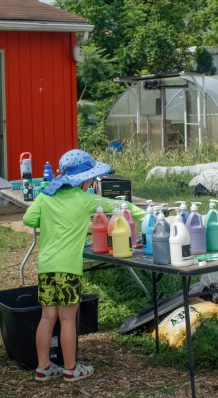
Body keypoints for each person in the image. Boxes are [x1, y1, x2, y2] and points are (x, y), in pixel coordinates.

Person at [23, 149, 144, 382]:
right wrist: (142, 214)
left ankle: (44, 367)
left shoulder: (46, 196)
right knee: (68, 319)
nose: (91, 183)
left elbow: (29, 219)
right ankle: (70, 368)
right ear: (83, 180)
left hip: (46, 267)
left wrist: (47, 219)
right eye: (90, 180)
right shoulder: (85, 199)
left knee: (47, 317)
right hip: (68, 268)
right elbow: (115, 206)